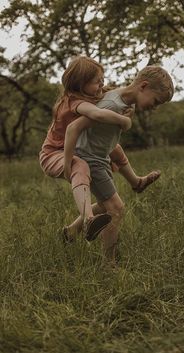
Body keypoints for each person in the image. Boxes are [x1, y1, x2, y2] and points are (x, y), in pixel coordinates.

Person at [39, 56, 160, 242]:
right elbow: (95, 115)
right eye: (98, 82)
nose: (102, 85)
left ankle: (136, 182)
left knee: (114, 148)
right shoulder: (76, 102)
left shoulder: (89, 96)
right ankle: (88, 220)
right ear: (81, 83)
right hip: (54, 154)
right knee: (80, 166)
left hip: (70, 148)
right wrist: (124, 121)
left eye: (103, 80)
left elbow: (111, 96)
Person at [64, 64, 174, 264]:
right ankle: (109, 264)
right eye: (156, 101)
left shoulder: (126, 102)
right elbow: (74, 128)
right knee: (116, 208)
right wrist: (67, 164)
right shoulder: (111, 105)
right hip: (89, 159)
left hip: (101, 157)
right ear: (143, 86)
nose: (155, 107)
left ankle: (71, 231)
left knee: (107, 205)